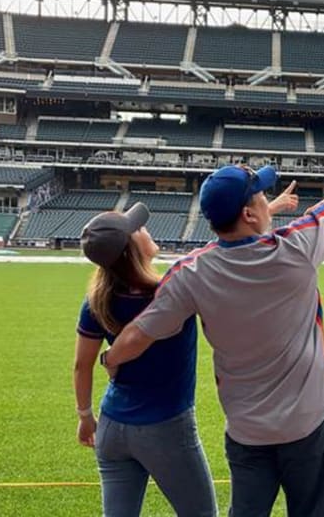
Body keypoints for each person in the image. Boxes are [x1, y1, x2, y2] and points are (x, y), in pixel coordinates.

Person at [98, 114, 324, 517]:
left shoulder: (191, 273)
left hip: (248, 431)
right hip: (309, 421)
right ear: (250, 213)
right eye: (259, 197)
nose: (264, 202)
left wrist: (109, 360)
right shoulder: (297, 247)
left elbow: (138, 334)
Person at [73, 202, 217, 517]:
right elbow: (222, 253)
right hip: (165, 428)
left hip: (112, 427)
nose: (145, 228)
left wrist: (85, 417)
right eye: (138, 228)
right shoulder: (173, 291)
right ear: (131, 251)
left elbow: (82, 365)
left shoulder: (97, 301)